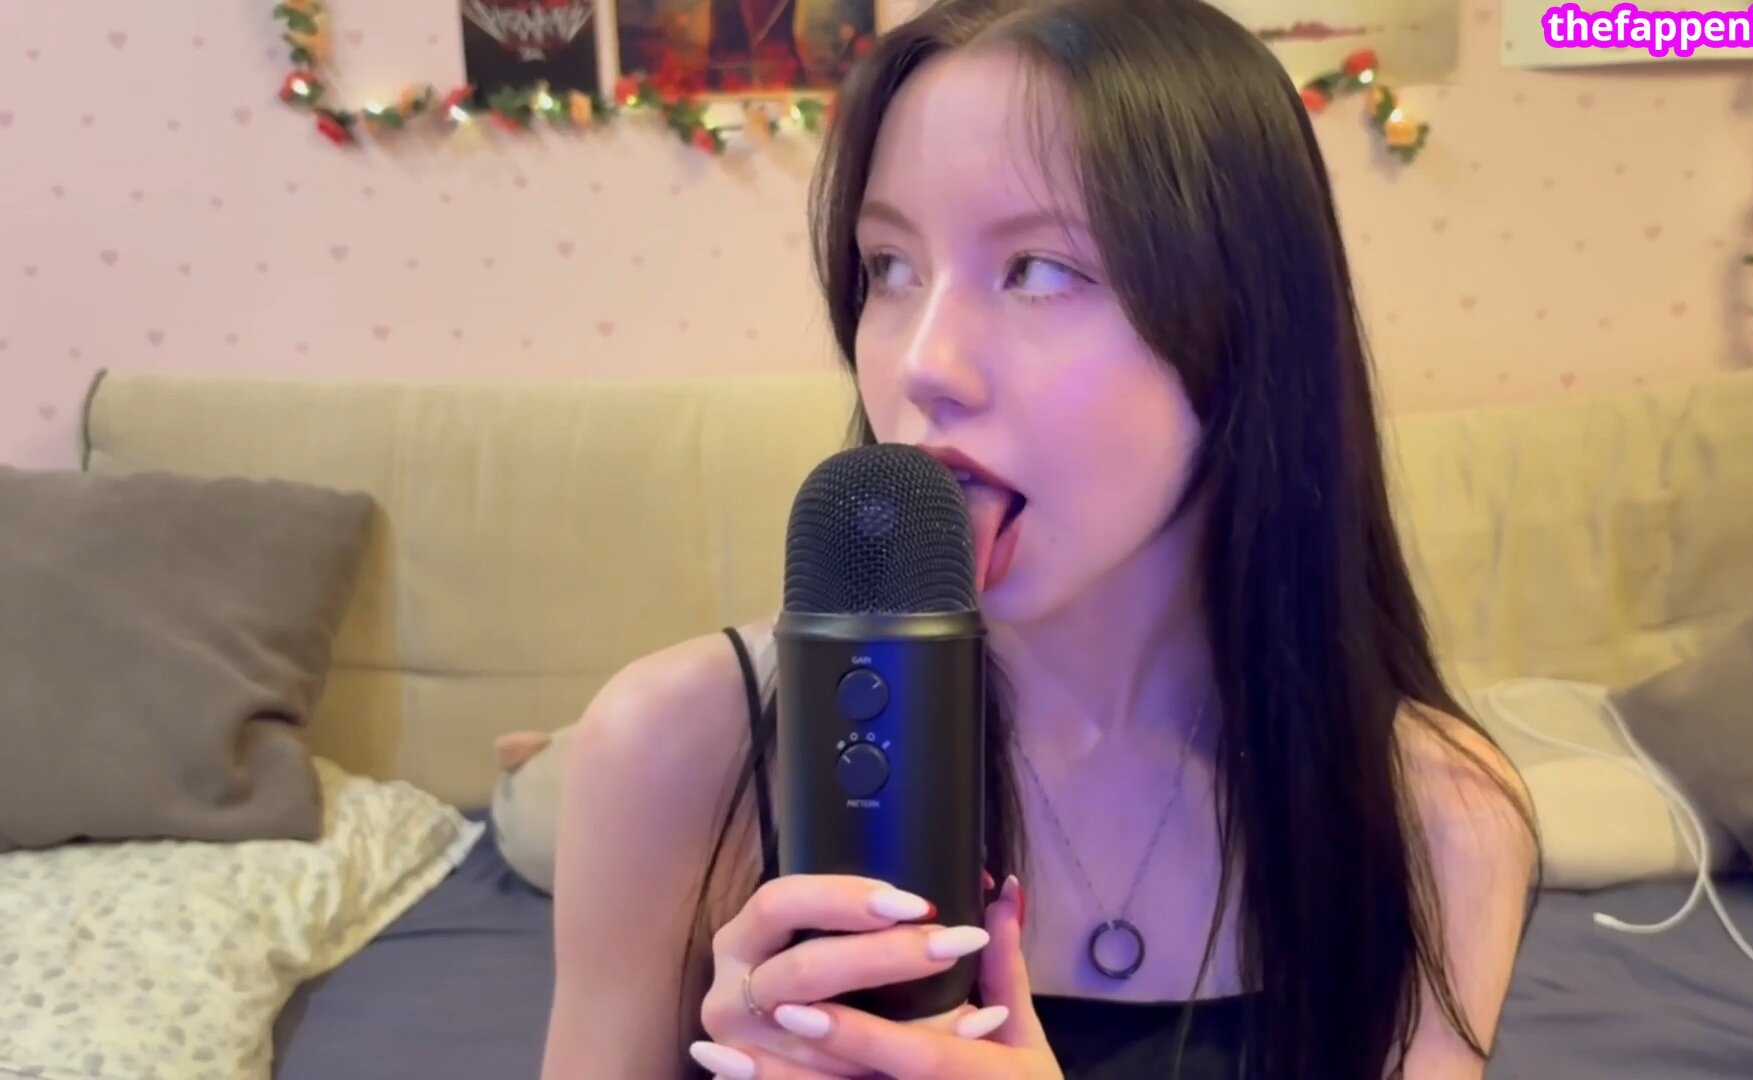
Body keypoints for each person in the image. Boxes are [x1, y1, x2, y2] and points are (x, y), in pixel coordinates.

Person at [538, 0, 1540, 1076]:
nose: (922, 364)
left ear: (1246, 322)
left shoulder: (1443, 821)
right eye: (889, 266)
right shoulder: (673, 753)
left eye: (1039, 270)